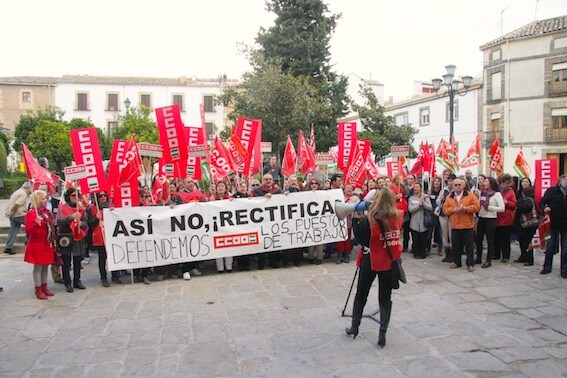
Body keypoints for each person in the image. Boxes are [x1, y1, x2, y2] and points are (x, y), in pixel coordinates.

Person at [348, 188, 403, 347]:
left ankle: (354, 327)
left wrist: (358, 219)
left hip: (370, 259)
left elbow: (360, 239)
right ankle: (382, 333)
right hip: (389, 261)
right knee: (385, 297)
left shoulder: (370, 218)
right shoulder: (397, 215)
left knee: (361, 293)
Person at [443, 177, 480, 272]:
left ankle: (470, 264)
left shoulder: (470, 195)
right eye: (456, 185)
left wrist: (466, 209)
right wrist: (453, 210)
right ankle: (457, 262)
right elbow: (445, 209)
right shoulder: (449, 197)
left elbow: (477, 206)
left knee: (469, 246)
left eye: (459, 185)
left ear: (463, 185)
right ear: (453, 186)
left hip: (467, 225)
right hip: (455, 225)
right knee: (456, 245)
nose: (458, 186)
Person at [24, 190, 55, 300]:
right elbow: (28, 230)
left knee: (45, 265)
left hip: (46, 243)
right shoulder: (32, 213)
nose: (45, 200)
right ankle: (38, 289)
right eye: (43, 198)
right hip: (37, 244)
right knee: (38, 267)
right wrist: (35, 223)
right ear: (37, 200)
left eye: (46, 198)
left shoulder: (47, 212)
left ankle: (44, 286)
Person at [87, 191, 121, 286]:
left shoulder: (111, 206)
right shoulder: (93, 209)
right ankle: (104, 277)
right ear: (97, 198)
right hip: (100, 236)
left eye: (104, 195)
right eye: (100, 196)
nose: (103, 197)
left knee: (113, 256)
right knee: (102, 258)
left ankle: (115, 275)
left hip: (111, 236)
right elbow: (89, 224)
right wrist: (96, 218)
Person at [57, 188, 89, 292]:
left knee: (78, 260)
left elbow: (85, 222)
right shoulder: (62, 207)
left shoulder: (80, 208)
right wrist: (71, 217)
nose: (75, 197)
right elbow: (59, 221)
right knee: (66, 262)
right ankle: (67, 282)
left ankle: (77, 280)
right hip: (66, 236)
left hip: (78, 236)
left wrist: (81, 224)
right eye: (73, 195)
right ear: (68, 196)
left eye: (77, 195)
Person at [539, 174, 567, 278]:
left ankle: (564, 270)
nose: (566, 182)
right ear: (560, 181)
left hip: (565, 224)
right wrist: (544, 209)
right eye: (565, 180)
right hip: (552, 224)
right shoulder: (552, 191)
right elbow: (542, 202)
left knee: (565, 248)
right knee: (550, 246)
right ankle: (547, 267)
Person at [253, 174, 282, 269]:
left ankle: (273, 262)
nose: (268, 180)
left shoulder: (278, 191)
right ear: (263, 181)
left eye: (270, 179)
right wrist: (263, 198)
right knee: (261, 242)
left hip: (273, 220)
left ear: (273, 180)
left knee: (272, 241)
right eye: (266, 179)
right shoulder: (257, 191)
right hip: (261, 221)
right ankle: (261, 264)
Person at [475, 177, 505, 268]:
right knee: (478, 239)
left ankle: (488, 260)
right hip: (481, 217)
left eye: (486, 181)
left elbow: (502, 208)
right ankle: (478, 258)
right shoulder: (482, 193)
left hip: (491, 219)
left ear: (491, 183)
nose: (484, 182)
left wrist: (490, 208)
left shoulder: (497, 194)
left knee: (489, 240)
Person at [211, 181, 234, 273]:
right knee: (218, 245)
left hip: (228, 225)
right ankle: (220, 267)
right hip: (216, 225)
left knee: (229, 244)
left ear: (225, 188)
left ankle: (229, 266)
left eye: (222, 186)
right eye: (219, 186)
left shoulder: (230, 198)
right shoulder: (212, 199)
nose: (220, 188)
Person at [494, 174, 517, 263]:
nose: (507, 185)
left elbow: (514, 204)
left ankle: (505, 256)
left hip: (506, 218)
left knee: (505, 239)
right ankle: (496, 254)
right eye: (505, 183)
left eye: (508, 183)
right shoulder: (496, 191)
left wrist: (507, 202)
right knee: (496, 238)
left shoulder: (511, 192)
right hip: (497, 217)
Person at [4, 181, 32, 254]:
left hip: (12, 215)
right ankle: (27, 241)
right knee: (31, 225)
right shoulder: (23, 193)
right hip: (19, 214)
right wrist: (12, 211)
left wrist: (9, 212)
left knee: (13, 230)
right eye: (30, 189)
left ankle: (8, 247)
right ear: (27, 188)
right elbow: (17, 204)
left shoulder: (16, 192)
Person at [514, 186, 539, 266]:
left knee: (527, 241)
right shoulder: (531, 200)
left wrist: (520, 201)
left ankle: (529, 259)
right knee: (523, 241)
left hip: (528, 224)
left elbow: (525, 208)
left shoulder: (527, 200)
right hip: (526, 224)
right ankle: (523, 256)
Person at [408, 182, 433, 259]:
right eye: (414, 187)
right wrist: (418, 205)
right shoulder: (411, 198)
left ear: (421, 188)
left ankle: (423, 253)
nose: (415, 188)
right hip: (414, 222)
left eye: (417, 187)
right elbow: (410, 209)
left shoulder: (426, 197)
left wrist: (424, 203)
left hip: (423, 222)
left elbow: (430, 208)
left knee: (423, 239)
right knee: (415, 239)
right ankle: (416, 253)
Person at [336, 183, 359, 264]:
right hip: (339, 221)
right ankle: (339, 255)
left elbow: (357, 210)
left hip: (348, 221)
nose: (349, 189)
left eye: (351, 188)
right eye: (347, 187)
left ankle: (346, 255)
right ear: (344, 189)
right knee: (340, 239)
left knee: (347, 239)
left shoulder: (355, 199)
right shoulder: (339, 198)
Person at [306, 179, 325, 264]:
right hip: (309, 219)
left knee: (319, 238)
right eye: (312, 183)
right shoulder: (304, 194)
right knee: (310, 238)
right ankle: (310, 257)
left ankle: (319, 257)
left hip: (320, 219)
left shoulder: (323, 194)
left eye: (316, 183)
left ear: (318, 185)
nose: (314, 185)